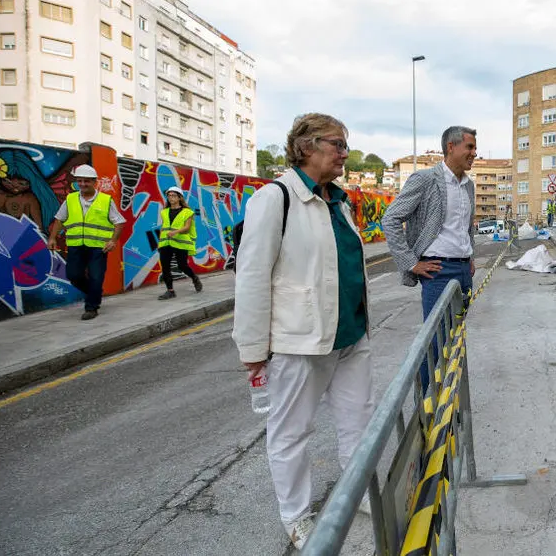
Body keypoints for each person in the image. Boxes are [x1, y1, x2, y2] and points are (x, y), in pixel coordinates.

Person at [231, 113, 374, 549]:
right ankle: (296, 515)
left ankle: (362, 492)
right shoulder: (276, 199)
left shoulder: (339, 200)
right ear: (306, 147)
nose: (344, 153)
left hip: (351, 334)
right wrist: (253, 348)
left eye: (345, 145)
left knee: (359, 422)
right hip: (300, 340)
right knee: (291, 432)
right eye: (337, 144)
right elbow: (252, 276)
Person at [382, 126, 477, 392]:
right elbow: (390, 219)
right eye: (469, 147)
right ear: (451, 147)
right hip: (438, 271)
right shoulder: (425, 180)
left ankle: (448, 398)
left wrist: (470, 255)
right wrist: (410, 262)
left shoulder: (468, 185)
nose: (474, 153)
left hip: (463, 270)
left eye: (474, 147)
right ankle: (426, 405)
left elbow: (465, 225)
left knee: (454, 338)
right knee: (434, 340)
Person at [47, 164, 125, 320]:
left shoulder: (105, 200)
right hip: (76, 245)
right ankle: (94, 292)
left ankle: (91, 307)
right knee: (73, 275)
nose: (82, 184)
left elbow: (119, 222)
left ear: (94, 182)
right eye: (79, 181)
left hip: (98, 247)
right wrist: (52, 237)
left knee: (96, 277)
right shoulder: (71, 199)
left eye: (86, 181)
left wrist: (113, 241)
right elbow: (59, 219)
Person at [156, 186, 202, 299]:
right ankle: (170, 291)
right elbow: (163, 226)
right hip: (165, 243)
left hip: (180, 242)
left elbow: (187, 227)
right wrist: (160, 240)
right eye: (169, 195)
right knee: (165, 267)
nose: (171, 198)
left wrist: (175, 232)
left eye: (173, 195)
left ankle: (194, 278)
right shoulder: (164, 211)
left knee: (182, 265)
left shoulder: (188, 212)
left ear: (179, 198)